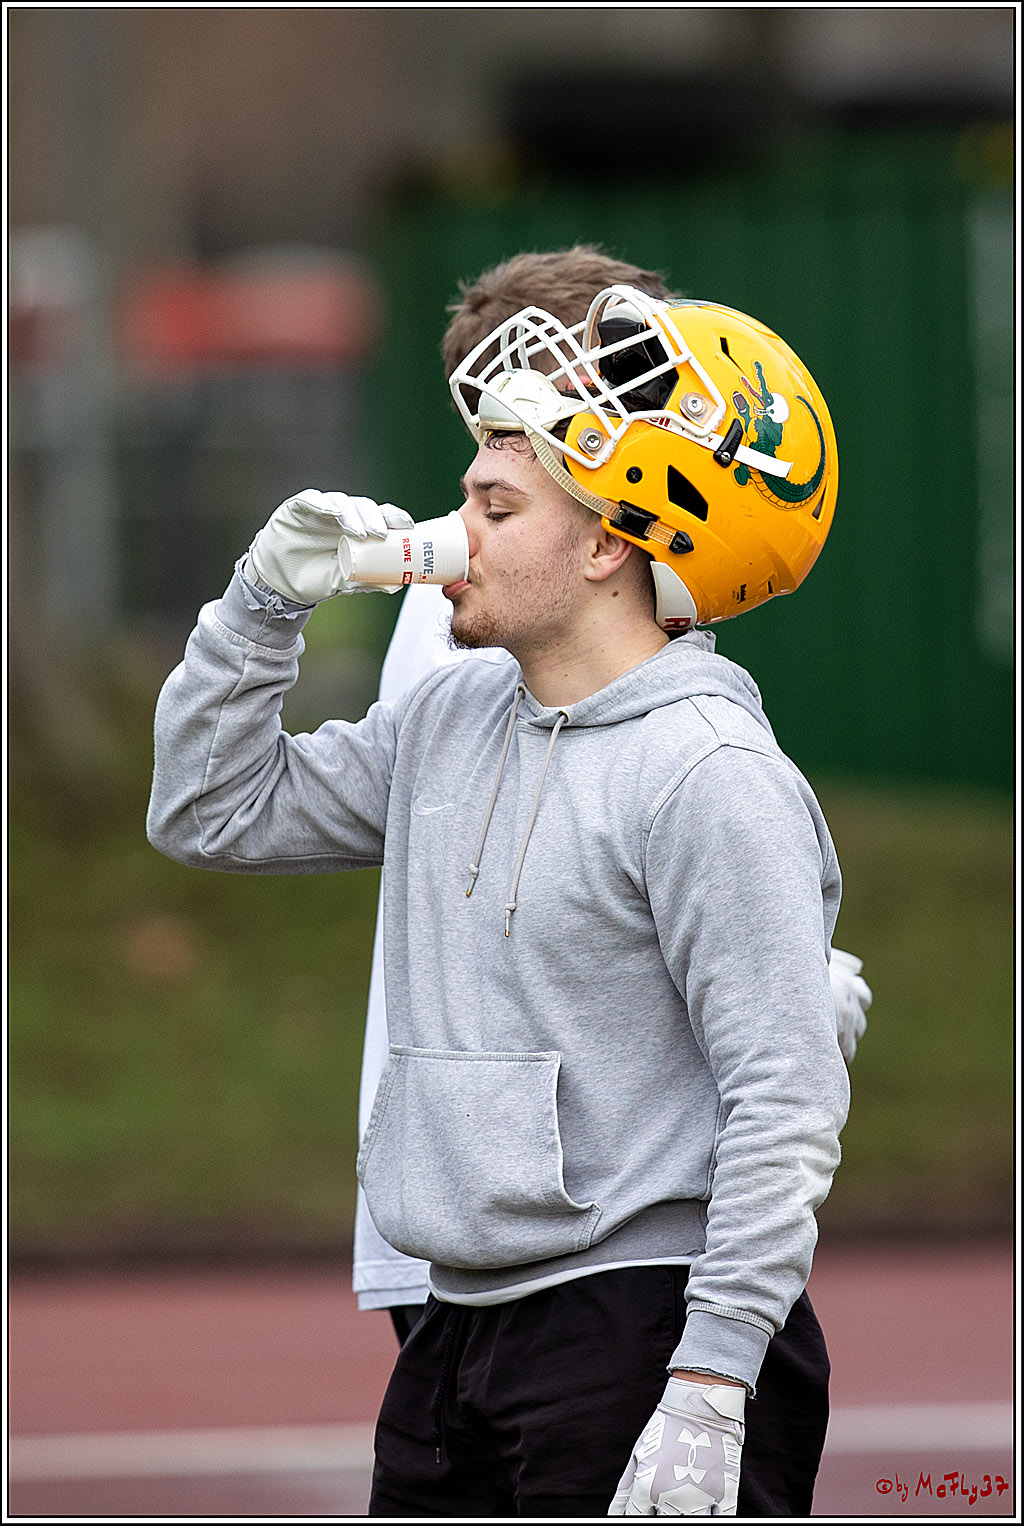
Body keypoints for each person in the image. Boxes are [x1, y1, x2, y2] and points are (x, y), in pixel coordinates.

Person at [148, 274, 853, 1516]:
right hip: (455, 1325)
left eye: (494, 503)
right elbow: (209, 809)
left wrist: (711, 1377)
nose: (450, 532)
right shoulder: (455, 710)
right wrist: (261, 601)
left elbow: (783, 1099)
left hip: (645, 1327)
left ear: (603, 543)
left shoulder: (711, 773)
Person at [353, 249, 872, 1347]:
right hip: (480, 1224)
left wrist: (748, 970)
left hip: (584, 1239)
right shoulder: (485, 630)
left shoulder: (683, 727)